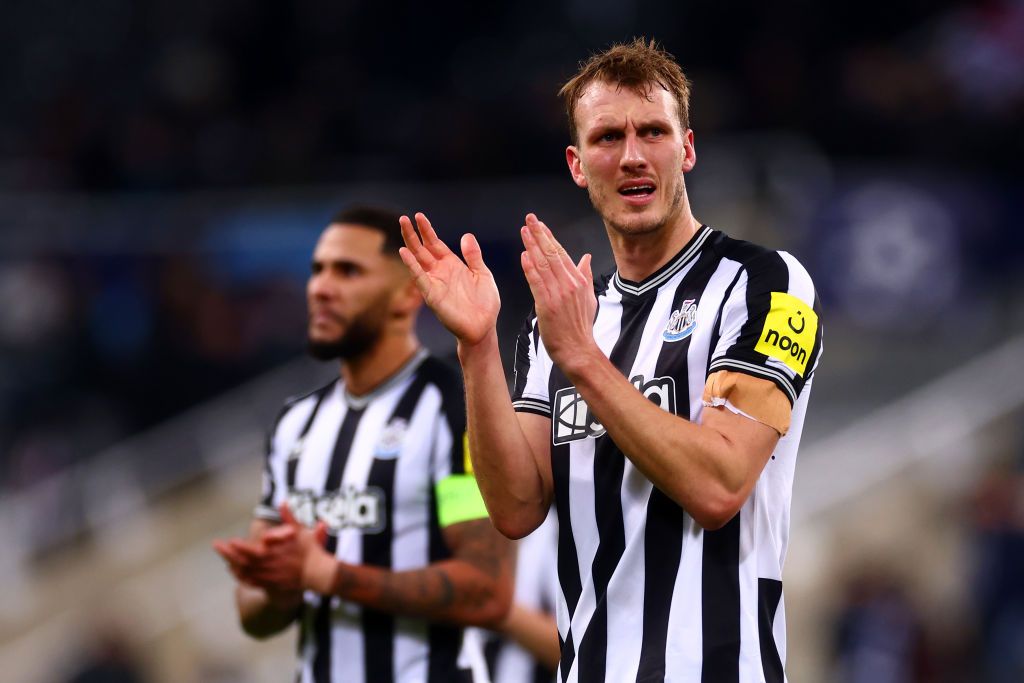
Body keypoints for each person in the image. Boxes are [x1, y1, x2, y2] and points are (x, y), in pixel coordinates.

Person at [399, 38, 823, 681]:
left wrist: (585, 361)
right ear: (576, 163)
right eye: (606, 138)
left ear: (686, 149)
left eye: (653, 131)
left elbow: (719, 486)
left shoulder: (765, 283)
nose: (631, 156)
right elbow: (515, 509)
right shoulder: (561, 318)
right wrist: (478, 346)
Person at [213, 205, 514, 683]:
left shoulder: (453, 410)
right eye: (317, 271)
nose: (321, 288)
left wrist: (329, 575)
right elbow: (252, 611)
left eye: (347, 271)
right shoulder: (295, 425)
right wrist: (280, 585)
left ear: (405, 295)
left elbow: (487, 590)